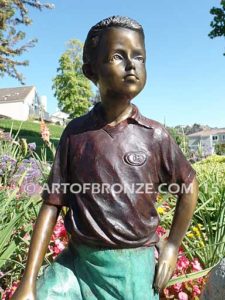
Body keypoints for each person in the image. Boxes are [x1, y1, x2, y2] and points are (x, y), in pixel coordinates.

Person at [12, 16, 198, 300]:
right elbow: (51, 206)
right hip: (78, 265)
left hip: (133, 270)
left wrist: (172, 245)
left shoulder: (154, 135)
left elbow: (189, 185)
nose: (131, 64)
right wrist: (27, 283)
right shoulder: (75, 134)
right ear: (91, 70)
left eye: (139, 57)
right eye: (117, 56)